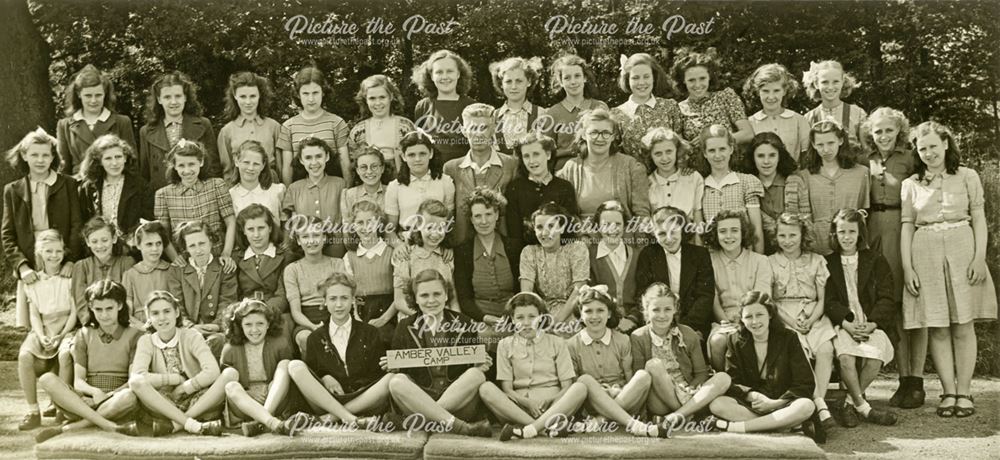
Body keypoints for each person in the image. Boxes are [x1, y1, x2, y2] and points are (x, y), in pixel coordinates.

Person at [901, 121, 997, 418]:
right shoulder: (911, 184)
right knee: (938, 326)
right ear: (916, 151)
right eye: (922, 147)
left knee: (963, 324)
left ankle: (965, 392)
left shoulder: (967, 176)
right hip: (925, 251)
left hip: (962, 247)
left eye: (933, 146)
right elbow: (907, 226)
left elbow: (979, 219)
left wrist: (979, 258)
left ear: (945, 144)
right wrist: (908, 268)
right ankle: (948, 392)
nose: (929, 153)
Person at [859, 107, 925, 408]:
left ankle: (914, 380)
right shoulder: (865, 160)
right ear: (870, 134)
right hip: (873, 230)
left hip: (903, 230)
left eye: (889, 130)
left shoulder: (910, 158)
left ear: (898, 131)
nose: (883, 136)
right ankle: (896, 379)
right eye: (878, 131)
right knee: (883, 303)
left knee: (906, 305)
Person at [384, 270, 493, 437]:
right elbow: (402, 371)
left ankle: (423, 421)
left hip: (457, 402)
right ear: (416, 298)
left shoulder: (464, 323)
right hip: (420, 398)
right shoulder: (405, 326)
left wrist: (480, 364)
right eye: (424, 295)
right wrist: (394, 367)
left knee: (476, 375)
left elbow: (473, 363)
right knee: (396, 382)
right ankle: (460, 427)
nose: (431, 300)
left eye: (437, 294)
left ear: (446, 296)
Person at [34, 280, 142, 443]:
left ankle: (73, 427)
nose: (104, 315)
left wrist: (107, 396)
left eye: (109, 309)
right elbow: (78, 381)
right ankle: (106, 424)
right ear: (91, 308)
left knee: (129, 397)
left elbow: (132, 381)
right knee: (46, 379)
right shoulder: (83, 334)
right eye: (98, 309)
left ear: (120, 306)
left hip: (116, 401)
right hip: (86, 400)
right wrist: (93, 393)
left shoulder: (134, 335)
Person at [709, 291, 824, 443]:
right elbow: (733, 381)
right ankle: (782, 426)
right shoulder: (735, 340)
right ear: (742, 319)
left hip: (783, 402)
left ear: (770, 314)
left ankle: (739, 427)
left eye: (759, 315)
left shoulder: (789, 338)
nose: (755, 321)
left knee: (806, 405)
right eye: (749, 316)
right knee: (717, 404)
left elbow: (805, 383)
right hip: (755, 403)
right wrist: (752, 396)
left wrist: (775, 403)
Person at [478, 292, 589, 441]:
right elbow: (507, 389)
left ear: (541, 317)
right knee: (485, 388)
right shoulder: (504, 345)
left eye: (532, 317)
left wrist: (551, 400)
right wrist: (528, 403)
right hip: (519, 409)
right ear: (512, 319)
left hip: (554, 406)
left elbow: (566, 386)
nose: (526, 322)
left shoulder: (557, 342)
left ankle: (528, 430)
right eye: (520, 317)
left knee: (580, 387)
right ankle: (544, 429)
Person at [286, 273, 393, 428]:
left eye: (344, 298)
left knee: (391, 378)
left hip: (364, 399)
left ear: (353, 301)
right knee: (295, 366)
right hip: (329, 399)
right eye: (333, 299)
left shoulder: (370, 332)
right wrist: (324, 377)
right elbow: (312, 373)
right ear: (324, 302)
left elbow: (377, 374)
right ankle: (349, 418)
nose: (339, 304)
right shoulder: (315, 338)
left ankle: (331, 418)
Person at [824, 209, 898, 427]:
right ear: (834, 234)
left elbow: (887, 296)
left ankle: (848, 402)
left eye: (851, 232)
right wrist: (846, 324)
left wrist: (873, 323)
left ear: (860, 233)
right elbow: (828, 301)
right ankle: (864, 409)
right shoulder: (828, 262)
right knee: (846, 358)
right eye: (841, 232)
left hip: (870, 322)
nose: (846, 237)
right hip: (843, 324)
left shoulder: (875, 260)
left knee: (875, 358)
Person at [123, 291, 234, 437]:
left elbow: (212, 371)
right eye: (155, 313)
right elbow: (139, 375)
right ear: (149, 317)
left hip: (197, 398)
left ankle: (179, 423)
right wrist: (174, 379)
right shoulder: (146, 341)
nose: (162, 318)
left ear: (176, 312)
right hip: (163, 402)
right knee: (136, 381)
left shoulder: (191, 335)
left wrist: (184, 387)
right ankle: (191, 424)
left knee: (231, 374)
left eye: (167, 311)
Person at [567, 286, 670, 438]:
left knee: (643, 375)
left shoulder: (622, 340)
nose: (594, 316)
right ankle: (634, 425)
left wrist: (622, 393)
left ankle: (602, 421)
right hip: (594, 402)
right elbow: (575, 385)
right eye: (588, 311)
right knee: (584, 380)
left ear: (609, 313)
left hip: (624, 396)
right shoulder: (572, 344)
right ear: (580, 315)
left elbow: (629, 375)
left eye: (600, 310)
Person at [768, 212, 836, 427]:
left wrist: (812, 319)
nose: (787, 241)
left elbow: (823, 298)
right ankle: (818, 406)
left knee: (825, 349)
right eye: (782, 235)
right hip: (783, 315)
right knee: (800, 351)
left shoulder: (817, 261)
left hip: (814, 312)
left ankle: (819, 401)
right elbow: (770, 301)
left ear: (802, 235)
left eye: (792, 235)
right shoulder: (769, 262)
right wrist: (790, 321)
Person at [631, 283, 731, 426]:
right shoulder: (638, 337)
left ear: (675, 310)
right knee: (652, 365)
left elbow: (701, 373)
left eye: (667, 309)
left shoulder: (688, 334)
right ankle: (690, 415)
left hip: (689, 394)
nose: (662, 315)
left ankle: (678, 416)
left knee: (723, 377)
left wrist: (691, 387)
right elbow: (641, 379)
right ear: (646, 310)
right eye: (656, 310)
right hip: (660, 399)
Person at [3, 128, 81, 302]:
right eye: (34, 155)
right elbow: (7, 234)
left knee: (62, 306)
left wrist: (71, 260)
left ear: (52, 157)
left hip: (61, 255)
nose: (40, 160)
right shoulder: (13, 190)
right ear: (24, 155)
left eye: (45, 155)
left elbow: (77, 224)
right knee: (34, 313)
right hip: (30, 259)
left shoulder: (68, 184)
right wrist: (21, 266)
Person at [16, 230, 77, 431]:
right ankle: (33, 411)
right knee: (25, 355)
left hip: (66, 328)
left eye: (58, 251)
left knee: (66, 354)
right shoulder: (33, 282)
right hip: (43, 329)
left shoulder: (69, 278)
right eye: (48, 251)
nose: (54, 255)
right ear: (40, 253)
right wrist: (41, 335)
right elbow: (34, 314)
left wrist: (61, 334)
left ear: (64, 251)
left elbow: (74, 312)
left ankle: (63, 407)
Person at [703, 210, 772, 372]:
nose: (729, 236)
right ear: (715, 234)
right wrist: (726, 322)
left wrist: (743, 321)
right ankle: (725, 384)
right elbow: (713, 300)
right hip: (723, 319)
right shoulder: (708, 261)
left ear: (743, 233)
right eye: (722, 231)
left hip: (754, 316)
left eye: (734, 230)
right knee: (718, 340)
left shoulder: (760, 261)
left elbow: (762, 298)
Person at [220, 299, 301, 437]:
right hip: (245, 400)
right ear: (240, 325)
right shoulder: (230, 349)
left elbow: (283, 379)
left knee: (285, 364)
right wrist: (247, 392)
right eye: (248, 325)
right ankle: (271, 422)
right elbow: (225, 379)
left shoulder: (280, 344)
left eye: (260, 324)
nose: (254, 330)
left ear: (268, 324)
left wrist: (269, 390)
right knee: (231, 386)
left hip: (273, 396)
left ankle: (262, 422)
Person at [153, 139, 237, 269]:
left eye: (191, 164)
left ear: (201, 162)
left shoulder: (216, 186)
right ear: (174, 166)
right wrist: (175, 257)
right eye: (181, 165)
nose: (187, 171)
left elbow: (230, 222)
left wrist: (226, 253)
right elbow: (163, 233)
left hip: (216, 257)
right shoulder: (163, 195)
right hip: (186, 262)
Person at [634, 206, 715, 339]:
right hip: (658, 321)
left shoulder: (699, 255)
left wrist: (685, 327)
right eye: (662, 234)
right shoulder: (648, 255)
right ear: (654, 234)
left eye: (673, 231)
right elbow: (643, 294)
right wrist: (661, 326)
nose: (669, 238)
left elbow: (705, 296)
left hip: (694, 323)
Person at [444, 103, 518, 245]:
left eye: (483, 127)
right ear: (464, 131)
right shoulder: (451, 168)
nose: (478, 133)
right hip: (463, 246)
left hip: (502, 244)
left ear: (493, 129)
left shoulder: (511, 165)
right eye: (472, 128)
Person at [557, 108, 650, 221]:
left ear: (613, 136)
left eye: (606, 133)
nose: (600, 138)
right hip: (581, 235)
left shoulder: (631, 166)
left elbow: (642, 215)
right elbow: (564, 214)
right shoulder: (571, 168)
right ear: (583, 135)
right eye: (594, 133)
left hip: (621, 235)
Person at [138, 71, 219, 191]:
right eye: (167, 97)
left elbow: (213, 167)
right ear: (159, 99)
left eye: (178, 96)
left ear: (185, 97)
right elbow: (145, 174)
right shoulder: (146, 132)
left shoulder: (203, 124)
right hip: (163, 198)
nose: (173, 102)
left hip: (198, 196)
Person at [167, 221, 238, 357]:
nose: (198, 250)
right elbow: (176, 304)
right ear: (186, 248)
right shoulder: (177, 271)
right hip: (188, 328)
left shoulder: (224, 268)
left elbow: (227, 302)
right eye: (192, 246)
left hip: (217, 329)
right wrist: (190, 326)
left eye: (202, 243)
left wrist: (217, 325)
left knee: (216, 341)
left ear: (211, 242)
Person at [503, 133, 579, 256]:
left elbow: (568, 231)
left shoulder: (564, 187)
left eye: (536, 154)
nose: (532, 161)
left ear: (548, 154)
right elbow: (514, 235)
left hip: (560, 256)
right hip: (526, 258)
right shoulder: (515, 189)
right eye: (526, 156)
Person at [801, 120, 870, 255]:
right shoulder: (805, 176)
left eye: (830, 143)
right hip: (817, 246)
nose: (826, 150)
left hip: (849, 244)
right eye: (820, 144)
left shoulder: (861, 173)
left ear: (840, 140)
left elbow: (863, 211)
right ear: (813, 145)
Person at [453, 188, 518, 331]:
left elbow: (520, 290)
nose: (483, 221)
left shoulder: (514, 247)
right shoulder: (463, 251)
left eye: (488, 214)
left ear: (497, 215)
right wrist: (485, 318)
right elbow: (464, 298)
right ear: (471, 219)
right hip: (480, 319)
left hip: (514, 317)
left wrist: (512, 318)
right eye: (477, 216)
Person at [519, 203, 589, 334]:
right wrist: (539, 320)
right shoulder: (529, 252)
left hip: (572, 310)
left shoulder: (577, 248)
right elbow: (527, 293)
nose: (544, 232)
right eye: (539, 227)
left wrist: (557, 322)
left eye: (551, 226)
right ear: (533, 229)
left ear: (562, 228)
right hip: (541, 312)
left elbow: (579, 290)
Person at [56, 64, 136, 176]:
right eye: (88, 96)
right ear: (79, 94)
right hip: (79, 187)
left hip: (114, 185)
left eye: (98, 95)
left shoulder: (122, 122)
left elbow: (132, 164)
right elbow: (63, 168)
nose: (93, 101)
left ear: (105, 94)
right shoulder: (64, 125)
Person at [696, 124, 765, 253]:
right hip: (714, 257)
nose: (718, 155)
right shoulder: (699, 185)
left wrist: (759, 260)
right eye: (712, 150)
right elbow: (700, 231)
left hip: (744, 255)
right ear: (705, 153)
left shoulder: (746, 182)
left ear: (731, 149)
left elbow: (756, 229)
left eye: (722, 149)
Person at [283, 216, 346, 358]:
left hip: (336, 314)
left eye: (316, 235)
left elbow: (343, 298)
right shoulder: (292, 269)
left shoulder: (337, 264)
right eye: (305, 236)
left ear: (324, 237)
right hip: (306, 319)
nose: (311, 241)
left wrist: (332, 323)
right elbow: (296, 312)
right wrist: (313, 327)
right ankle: (312, 376)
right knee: (306, 338)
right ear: (298, 241)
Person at [278, 66, 351, 185]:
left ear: (323, 92)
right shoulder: (288, 127)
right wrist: (289, 197)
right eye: (305, 93)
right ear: (298, 94)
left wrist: (347, 193)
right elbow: (287, 167)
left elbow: (345, 163)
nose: (311, 99)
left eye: (315, 92)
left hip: (332, 190)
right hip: (302, 193)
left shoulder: (337, 123)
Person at [77, 134, 154, 244]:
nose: (114, 163)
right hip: (100, 247)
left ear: (125, 158)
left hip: (132, 249)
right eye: (108, 158)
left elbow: (147, 221)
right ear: (99, 161)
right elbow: (83, 222)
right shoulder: (89, 187)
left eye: (118, 157)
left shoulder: (140, 185)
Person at [743, 132, 810, 255]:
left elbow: (806, 222)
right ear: (753, 157)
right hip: (760, 253)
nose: (766, 161)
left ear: (780, 156)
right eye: (760, 156)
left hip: (793, 252)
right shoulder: (746, 185)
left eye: (772, 155)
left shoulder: (794, 182)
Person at [281, 136, 347, 258]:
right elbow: (287, 219)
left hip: (335, 245)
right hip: (306, 246)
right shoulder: (294, 188)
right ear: (301, 160)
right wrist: (287, 241)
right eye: (308, 157)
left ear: (326, 157)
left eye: (318, 156)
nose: (314, 162)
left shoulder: (340, 184)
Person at [234, 204, 294, 338]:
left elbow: (282, 294)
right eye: (250, 229)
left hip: (275, 312)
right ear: (243, 231)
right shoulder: (236, 258)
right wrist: (248, 312)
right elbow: (233, 294)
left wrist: (263, 312)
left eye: (261, 228)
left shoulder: (284, 256)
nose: (256, 235)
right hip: (245, 313)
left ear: (270, 228)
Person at [610, 53, 682, 163]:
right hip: (634, 177)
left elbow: (680, 146)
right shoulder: (617, 114)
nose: (642, 82)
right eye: (635, 78)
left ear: (654, 77)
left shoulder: (670, 107)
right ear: (627, 80)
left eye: (646, 76)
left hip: (668, 176)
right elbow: (616, 155)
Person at [672, 48, 753, 147]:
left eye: (702, 78)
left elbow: (748, 134)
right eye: (691, 80)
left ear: (709, 77)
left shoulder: (726, 97)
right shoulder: (678, 109)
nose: (697, 85)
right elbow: (679, 146)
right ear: (683, 80)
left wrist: (716, 139)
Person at [343, 201, 396, 344]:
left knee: (383, 338)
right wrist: (357, 318)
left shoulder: (391, 252)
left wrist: (384, 319)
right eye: (360, 222)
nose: (366, 227)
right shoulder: (349, 257)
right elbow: (350, 294)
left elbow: (399, 294)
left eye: (370, 222)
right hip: (361, 312)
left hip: (389, 312)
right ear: (353, 225)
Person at [385, 130, 455, 238]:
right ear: (404, 157)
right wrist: (399, 246)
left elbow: (449, 222)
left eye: (422, 154)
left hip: (436, 239)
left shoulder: (445, 182)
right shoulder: (395, 187)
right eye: (411, 155)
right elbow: (390, 230)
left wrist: (446, 247)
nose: (417, 159)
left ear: (430, 153)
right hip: (406, 242)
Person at [544, 54, 609, 170]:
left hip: (597, 170)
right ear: (561, 82)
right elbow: (545, 152)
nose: (573, 82)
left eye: (577, 76)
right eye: (567, 78)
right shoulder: (553, 113)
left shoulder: (599, 107)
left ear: (585, 78)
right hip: (564, 173)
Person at [217, 72, 284, 182]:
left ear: (259, 95)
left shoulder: (274, 127)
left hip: (270, 186)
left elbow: (281, 167)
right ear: (235, 96)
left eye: (252, 96)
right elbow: (227, 171)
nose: (248, 102)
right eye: (243, 96)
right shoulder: (226, 131)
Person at [411, 50, 476, 163]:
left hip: (462, 170)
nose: (445, 77)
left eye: (450, 71)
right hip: (433, 173)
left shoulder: (471, 106)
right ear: (431, 76)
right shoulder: (423, 106)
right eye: (439, 72)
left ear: (458, 74)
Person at [348, 74, 416, 178]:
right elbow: (354, 165)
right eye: (372, 98)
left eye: (382, 97)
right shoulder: (358, 131)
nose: (378, 103)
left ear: (391, 97)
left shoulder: (405, 127)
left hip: (402, 186)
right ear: (365, 100)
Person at [587, 200, 639, 332]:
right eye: (606, 224)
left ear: (625, 226)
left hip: (635, 325)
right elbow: (590, 296)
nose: (612, 229)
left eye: (617, 224)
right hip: (602, 324)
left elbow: (643, 294)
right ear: (597, 226)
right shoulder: (589, 256)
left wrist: (632, 319)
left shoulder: (637, 256)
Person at [71, 217, 135, 323]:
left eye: (104, 240)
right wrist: (91, 324)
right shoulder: (81, 267)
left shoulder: (126, 263)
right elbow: (81, 304)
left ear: (114, 238)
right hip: (93, 325)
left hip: (121, 324)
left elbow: (129, 298)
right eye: (94, 241)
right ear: (87, 242)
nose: (99, 246)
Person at [742, 63, 811, 161]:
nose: (771, 97)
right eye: (765, 91)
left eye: (776, 91)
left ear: (784, 91)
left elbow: (807, 157)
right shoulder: (750, 123)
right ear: (758, 91)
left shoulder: (799, 121)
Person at [641, 127, 704, 229]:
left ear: (677, 151)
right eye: (658, 154)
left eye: (669, 151)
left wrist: (698, 244)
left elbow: (698, 216)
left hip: (689, 237)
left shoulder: (693, 178)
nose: (664, 158)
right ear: (650, 155)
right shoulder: (647, 183)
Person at [801, 60, 868, 151]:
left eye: (835, 81)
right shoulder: (809, 118)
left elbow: (867, 150)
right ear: (816, 84)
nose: (830, 87)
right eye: (825, 82)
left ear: (842, 82)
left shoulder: (858, 113)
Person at [489, 57, 546, 155]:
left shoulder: (541, 114)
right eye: (508, 81)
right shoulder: (493, 117)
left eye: (519, 81)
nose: (514, 87)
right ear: (501, 84)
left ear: (528, 82)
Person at [122, 221, 171, 327]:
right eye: (149, 244)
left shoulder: (171, 271)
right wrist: (143, 328)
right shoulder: (130, 275)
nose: (155, 249)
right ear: (139, 245)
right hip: (139, 327)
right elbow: (127, 312)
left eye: (159, 243)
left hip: (167, 325)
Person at [228, 140, 285, 220]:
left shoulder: (277, 191)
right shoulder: (231, 195)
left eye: (256, 164)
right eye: (246, 162)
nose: (251, 168)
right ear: (237, 161)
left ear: (263, 165)